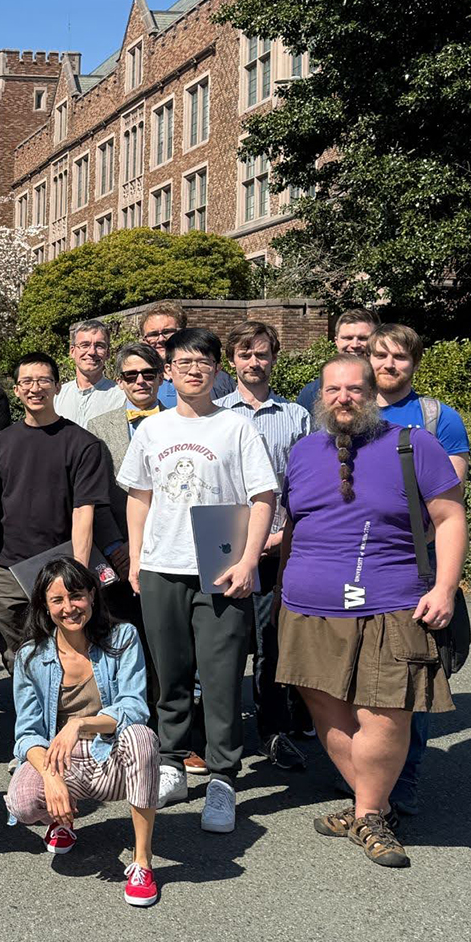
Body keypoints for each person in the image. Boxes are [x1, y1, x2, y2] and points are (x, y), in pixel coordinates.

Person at [278, 355, 462, 868]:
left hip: (392, 601)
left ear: (372, 392)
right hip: (308, 606)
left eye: (354, 389)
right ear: (321, 395)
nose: (343, 397)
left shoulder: (413, 444)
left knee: (384, 712)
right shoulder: (302, 452)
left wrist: (445, 587)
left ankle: (370, 812)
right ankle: (370, 807)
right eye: (333, 389)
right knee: (326, 707)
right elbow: (296, 527)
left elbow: (449, 518)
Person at [117, 327, 277, 833]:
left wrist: (250, 559)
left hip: (220, 561)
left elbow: (262, 498)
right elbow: (138, 497)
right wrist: (135, 558)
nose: (192, 370)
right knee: (171, 671)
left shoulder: (236, 427)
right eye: (183, 362)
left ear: (216, 370)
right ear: (169, 371)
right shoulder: (152, 430)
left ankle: (224, 778)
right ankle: (170, 761)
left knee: (223, 672)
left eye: (203, 362)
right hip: (163, 564)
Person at [5, 558, 160, 906]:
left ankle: (142, 862)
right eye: (57, 600)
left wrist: (80, 723)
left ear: (92, 595)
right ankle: (62, 818)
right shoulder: (30, 656)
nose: (69, 608)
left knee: (142, 737)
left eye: (76, 596)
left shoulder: (123, 638)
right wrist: (50, 776)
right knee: (24, 801)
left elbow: (134, 706)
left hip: (111, 754)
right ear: (44, 605)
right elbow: (26, 734)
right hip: (63, 760)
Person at [369, 322, 471, 814]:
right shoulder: (349, 408)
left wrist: (442, 582)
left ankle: (404, 779)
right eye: (381, 355)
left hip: (414, 566)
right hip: (356, 565)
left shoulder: (438, 418)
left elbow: (449, 503)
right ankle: (366, 777)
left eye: (400, 357)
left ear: (414, 363)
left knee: (416, 673)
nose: (389, 365)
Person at [215, 321, 313, 771]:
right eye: (245, 354)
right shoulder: (214, 414)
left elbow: (307, 486)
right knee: (224, 642)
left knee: (273, 644)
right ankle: (221, 735)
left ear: (274, 358)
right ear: (232, 361)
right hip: (225, 548)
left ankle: (273, 732)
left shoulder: (296, 417)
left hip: (278, 547)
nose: (254, 362)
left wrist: (282, 535)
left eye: (262, 354)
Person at [0, 352, 109, 674]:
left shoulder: (83, 444)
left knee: (68, 656)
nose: (35, 388)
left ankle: (69, 722)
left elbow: (84, 511)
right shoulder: (0, 443)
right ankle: (30, 721)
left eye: (43, 380)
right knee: (18, 658)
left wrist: (78, 575)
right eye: (26, 381)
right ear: (16, 390)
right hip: (9, 569)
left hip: (60, 565)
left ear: (57, 386)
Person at [86, 342, 167, 630]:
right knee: (127, 637)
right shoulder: (97, 427)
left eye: (147, 373)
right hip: (118, 552)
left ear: (161, 376)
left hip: (169, 548)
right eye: (131, 376)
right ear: (120, 382)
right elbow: (96, 494)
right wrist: (115, 545)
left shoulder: (181, 422)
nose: (140, 381)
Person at [139, 304, 235, 404]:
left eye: (167, 332)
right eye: (153, 334)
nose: (161, 339)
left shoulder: (218, 378)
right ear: (144, 340)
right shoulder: (138, 382)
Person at [295, 308, 378, 413]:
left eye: (363, 338)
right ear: (336, 342)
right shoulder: (312, 392)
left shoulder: (391, 388)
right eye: (348, 338)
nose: (355, 345)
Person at [55, 319, 125, 427]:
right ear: (72, 351)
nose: (92, 352)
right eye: (85, 345)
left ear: (108, 353)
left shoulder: (120, 397)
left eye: (99, 346)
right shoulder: (57, 397)